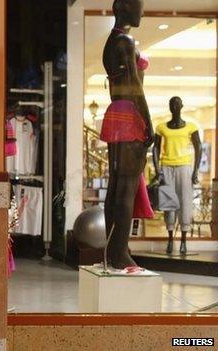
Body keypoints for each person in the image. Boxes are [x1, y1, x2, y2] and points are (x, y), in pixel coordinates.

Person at [100, 0, 153, 269]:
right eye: (139, 5)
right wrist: (149, 122)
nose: (142, 11)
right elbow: (134, 87)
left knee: (117, 186)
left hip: (116, 113)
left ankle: (114, 249)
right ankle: (119, 252)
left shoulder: (113, 41)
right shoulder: (125, 42)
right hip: (129, 114)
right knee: (126, 187)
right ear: (122, 7)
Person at [152, 96, 201, 255]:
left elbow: (198, 147)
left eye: (177, 104)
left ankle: (184, 241)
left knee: (185, 202)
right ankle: (171, 238)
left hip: (184, 167)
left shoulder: (191, 127)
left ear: (182, 106)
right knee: (169, 204)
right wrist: (157, 169)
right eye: (172, 104)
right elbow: (156, 148)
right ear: (169, 107)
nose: (175, 106)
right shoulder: (161, 127)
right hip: (166, 167)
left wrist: (195, 171)